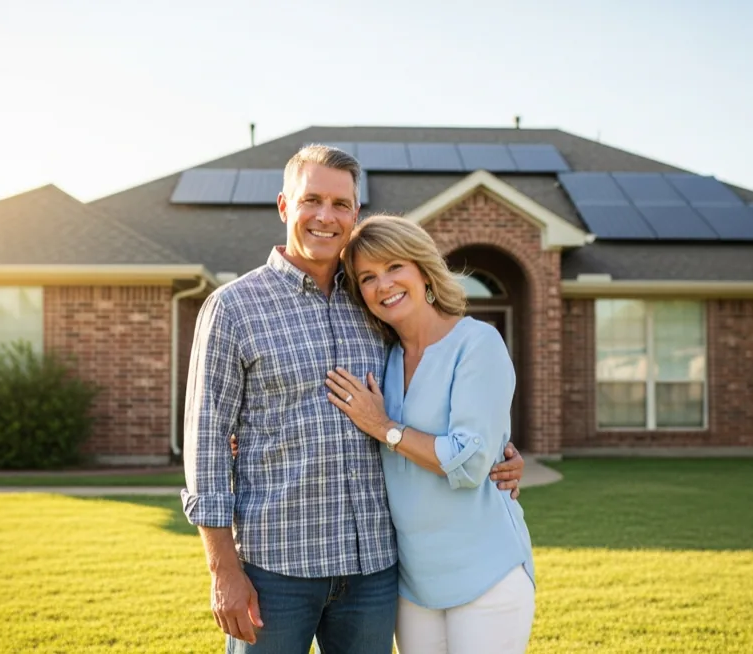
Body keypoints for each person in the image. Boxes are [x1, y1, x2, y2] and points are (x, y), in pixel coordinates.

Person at [180, 144, 525, 654]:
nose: (325, 216)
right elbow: (205, 446)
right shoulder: (233, 308)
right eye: (311, 200)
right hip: (278, 569)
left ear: (355, 213)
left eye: (341, 204)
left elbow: (435, 388)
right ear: (284, 206)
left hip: (374, 573)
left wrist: (498, 451)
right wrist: (223, 570)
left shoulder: (374, 303)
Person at [323, 215, 536, 654]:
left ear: (423, 269)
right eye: (368, 277)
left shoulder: (478, 344)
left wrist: (386, 428)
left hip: (487, 573)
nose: (384, 285)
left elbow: (471, 463)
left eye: (395, 266)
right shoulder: (382, 356)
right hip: (414, 585)